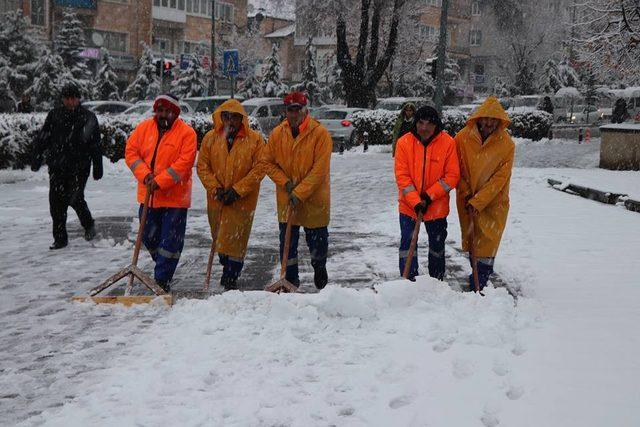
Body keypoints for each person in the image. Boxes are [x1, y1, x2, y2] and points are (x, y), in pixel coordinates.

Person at [124, 94, 197, 292]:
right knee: (147, 236)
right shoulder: (144, 128)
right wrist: (145, 175)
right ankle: (162, 263)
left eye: (167, 111)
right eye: (160, 110)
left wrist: (161, 181)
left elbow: (184, 163)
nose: (163, 115)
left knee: (170, 240)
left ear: (175, 113)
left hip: (175, 199)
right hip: (149, 196)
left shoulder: (186, 133)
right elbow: (131, 152)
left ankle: (162, 279)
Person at [262, 91, 332, 289]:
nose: (293, 114)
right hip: (287, 198)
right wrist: (285, 183)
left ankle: (319, 268)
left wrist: (299, 192)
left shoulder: (320, 134)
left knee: (317, 241)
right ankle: (291, 279)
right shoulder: (277, 134)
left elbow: (319, 170)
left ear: (305, 110)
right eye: (289, 110)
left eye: (297, 110)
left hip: (314, 199)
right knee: (287, 243)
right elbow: (267, 163)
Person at [197, 99, 265, 290]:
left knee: (237, 241)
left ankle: (231, 277)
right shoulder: (211, 138)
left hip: (242, 202)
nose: (230, 121)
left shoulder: (255, 140)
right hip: (217, 200)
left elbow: (260, 168)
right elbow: (203, 166)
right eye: (226, 117)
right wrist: (215, 188)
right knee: (220, 241)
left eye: (235, 117)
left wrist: (238, 190)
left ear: (241, 119)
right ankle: (226, 263)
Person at [454, 96, 515, 292]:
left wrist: (478, 201)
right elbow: (458, 169)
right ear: (478, 118)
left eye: (493, 119)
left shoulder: (506, 144)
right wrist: (467, 196)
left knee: (487, 247)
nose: (488, 123)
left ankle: (479, 286)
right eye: (485, 118)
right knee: (473, 244)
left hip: (493, 203)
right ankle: (476, 281)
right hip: (467, 200)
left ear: (499, 121)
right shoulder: (462, 138)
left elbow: (500, 178)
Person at [32, 83, 102, 250]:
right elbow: (44, 137)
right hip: (57, 166)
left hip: (80, 167)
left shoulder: (88, 117)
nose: (70, 102)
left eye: (73, 98)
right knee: (56, 203)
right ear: (63, 99)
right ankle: (60, 238)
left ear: (78, 99)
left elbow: (95, 144)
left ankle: (89, 225)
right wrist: (37, 156)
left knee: (75, 198)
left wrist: (98, 165)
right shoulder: (54, 115)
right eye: (67, 98)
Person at [394, 105, 460, 281]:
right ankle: (408, 280)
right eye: (420, 123)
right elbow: (402, 176)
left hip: (436, 206)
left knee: (437, 246)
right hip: (409, 206)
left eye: (429, 124)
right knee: (408, 244)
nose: (424, 128)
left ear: (436, 125)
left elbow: (452, 176)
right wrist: (416, 200)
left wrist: (429, 196)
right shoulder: (404, 143)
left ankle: (436, 282)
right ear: (415, 123)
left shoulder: (448, 143)